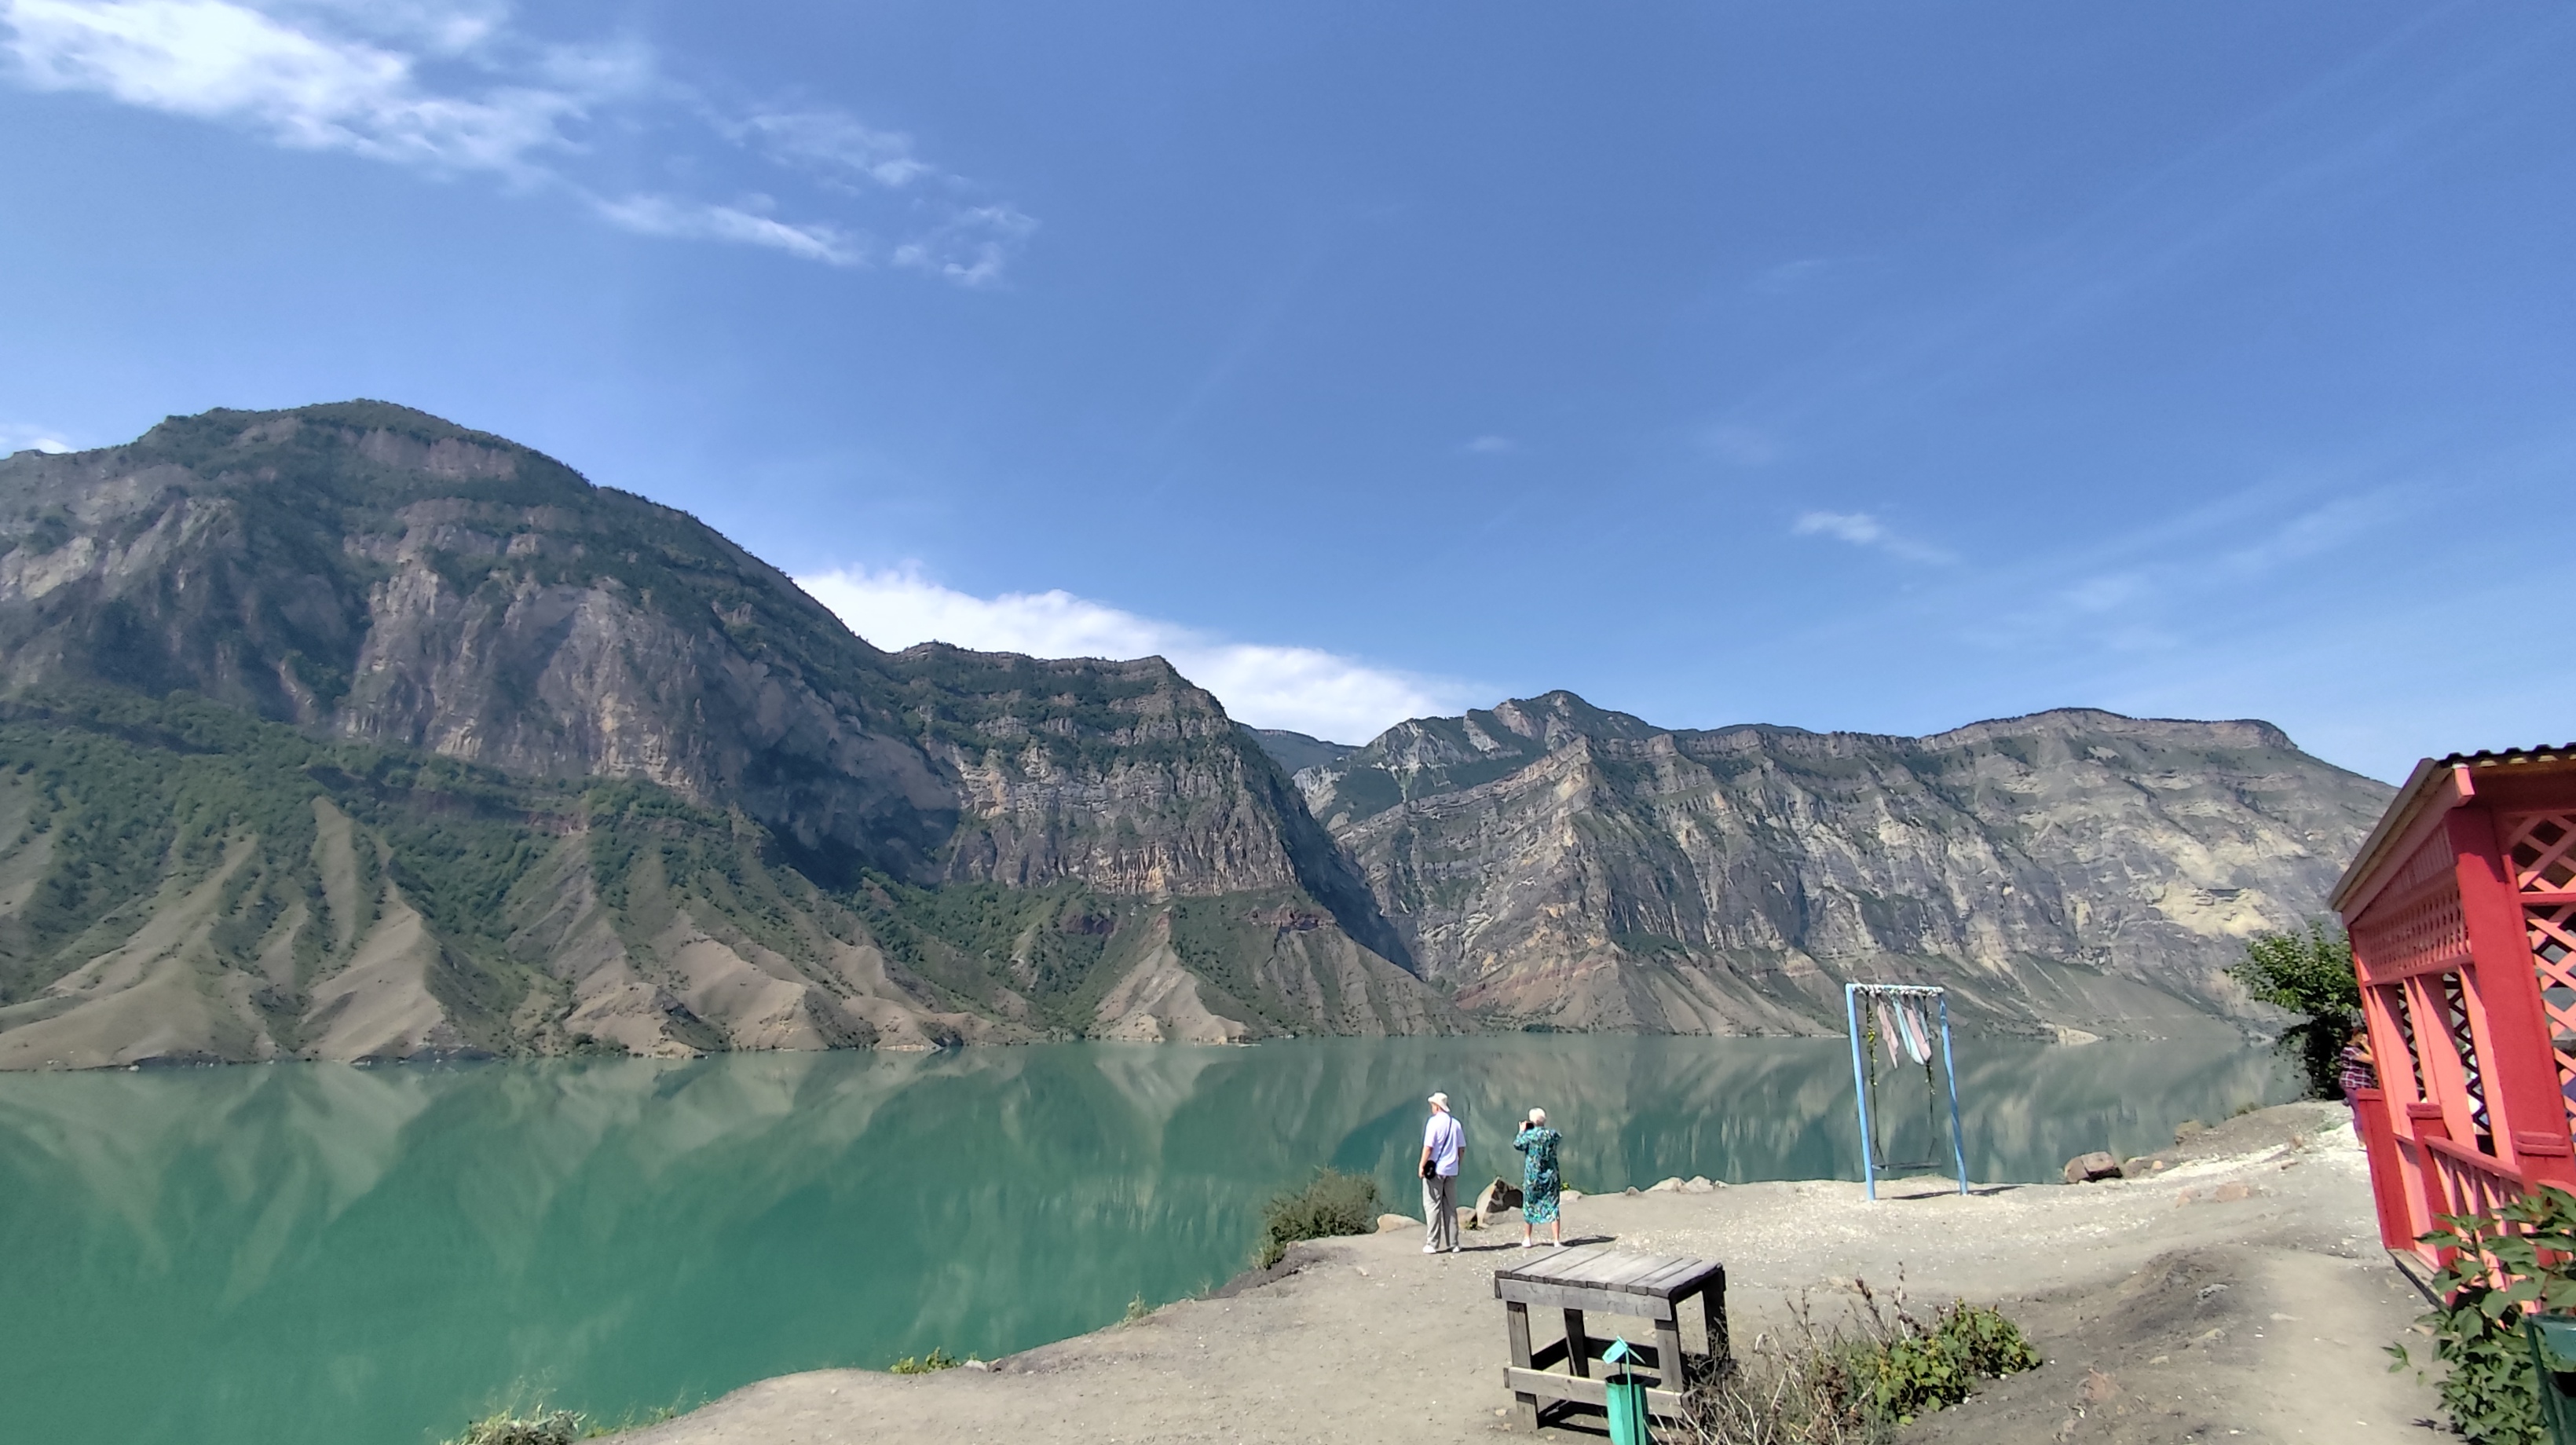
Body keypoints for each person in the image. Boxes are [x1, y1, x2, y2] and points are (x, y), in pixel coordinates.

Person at [1419, 1092, 1465, 1254]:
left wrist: (1422, 1166)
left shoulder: (1433, 1123)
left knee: (1432, 1205)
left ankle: (1432, 1244)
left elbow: (1428, 1147)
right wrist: (1457, 1164)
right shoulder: (1456, 1124)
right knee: (1450, 1206)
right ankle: (1454, 1244)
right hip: (1451, 1170)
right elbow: (1461, 1148)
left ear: (1437, 1106)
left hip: (1435, 1171)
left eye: (1432, 1105)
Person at [1513, 1107, 1563, 1249]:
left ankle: (1528, 1238)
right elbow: (1559, 1138)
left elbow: (1517, 1144)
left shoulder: (1529, 1135)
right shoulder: (1552, 1134)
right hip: (1551, 1175)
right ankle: (1556, 1240)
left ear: (1532, 1120)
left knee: (1529, 1203)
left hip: (1533, 1176)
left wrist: (1522, 1131)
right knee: (1553, 1205)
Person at [2339, 1026, 2377, 1119]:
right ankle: (2360, 1129)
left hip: (2360, 1084)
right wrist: (2366, 1045)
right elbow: (2373, 1060)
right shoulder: (2350, 1050)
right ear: (2354, 1036)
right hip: (2353, 1083)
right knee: (2360, 1111)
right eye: (2361, 1036)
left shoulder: (2357, 1050)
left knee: (2363, 1111)